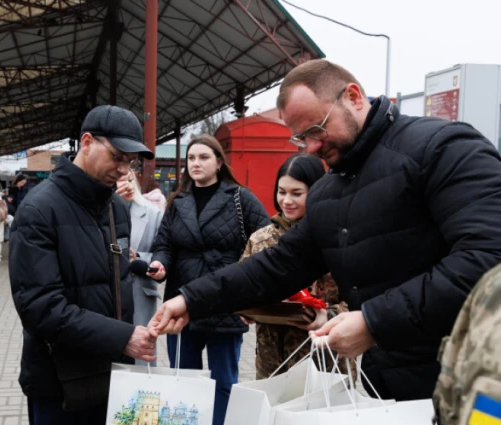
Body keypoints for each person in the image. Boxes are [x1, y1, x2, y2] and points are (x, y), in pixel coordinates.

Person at [149, 59, 501, 402]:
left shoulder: (443, 148)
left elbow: (489, 260)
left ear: (353, 97)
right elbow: (279, 265)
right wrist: (194, 298)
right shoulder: (329, 191)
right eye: (301, 138)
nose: (312, 146)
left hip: (478, 384)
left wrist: (374, 322)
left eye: (317, 129)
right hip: (398, 387)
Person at [8, 105, 157, 425]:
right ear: (87, 142)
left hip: (113, 374)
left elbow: (110, 274)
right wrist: (123, 337)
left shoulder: (115, 209)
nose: (124, 170)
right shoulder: (39, 210)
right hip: (57, 379)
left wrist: (140, 267)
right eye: (117, 157)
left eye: (131, 162)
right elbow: (40, 307)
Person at [147, 134, 269, 425]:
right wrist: (160, 264)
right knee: (183, 379)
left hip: (225, 300)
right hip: (181, 301)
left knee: (224, 381)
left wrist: (253, 287)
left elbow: (266, 238)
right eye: (191, 159)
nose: (196, 164)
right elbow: (164, 244)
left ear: (218, 161)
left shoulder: (241, 199)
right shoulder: (178, 201)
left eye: (203, 157)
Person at [240, 153, 349, 378]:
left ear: (317, 190)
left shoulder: (339, 237)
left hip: (324, 362)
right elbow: (241, 286)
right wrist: (245, 310)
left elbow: (360, 301)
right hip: (271, 363)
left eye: (296, 193)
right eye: (282, 192)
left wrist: (327, 315)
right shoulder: (260, 239)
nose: (287, 201)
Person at [116, 171, 164, 365]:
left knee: (142, 353)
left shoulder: (152, 213)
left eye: (130, 180)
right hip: (108, 291)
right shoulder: (97, 211)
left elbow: (163, 251)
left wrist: (140, 259)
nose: (126, 185)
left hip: (140, 290)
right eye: (119, 180)